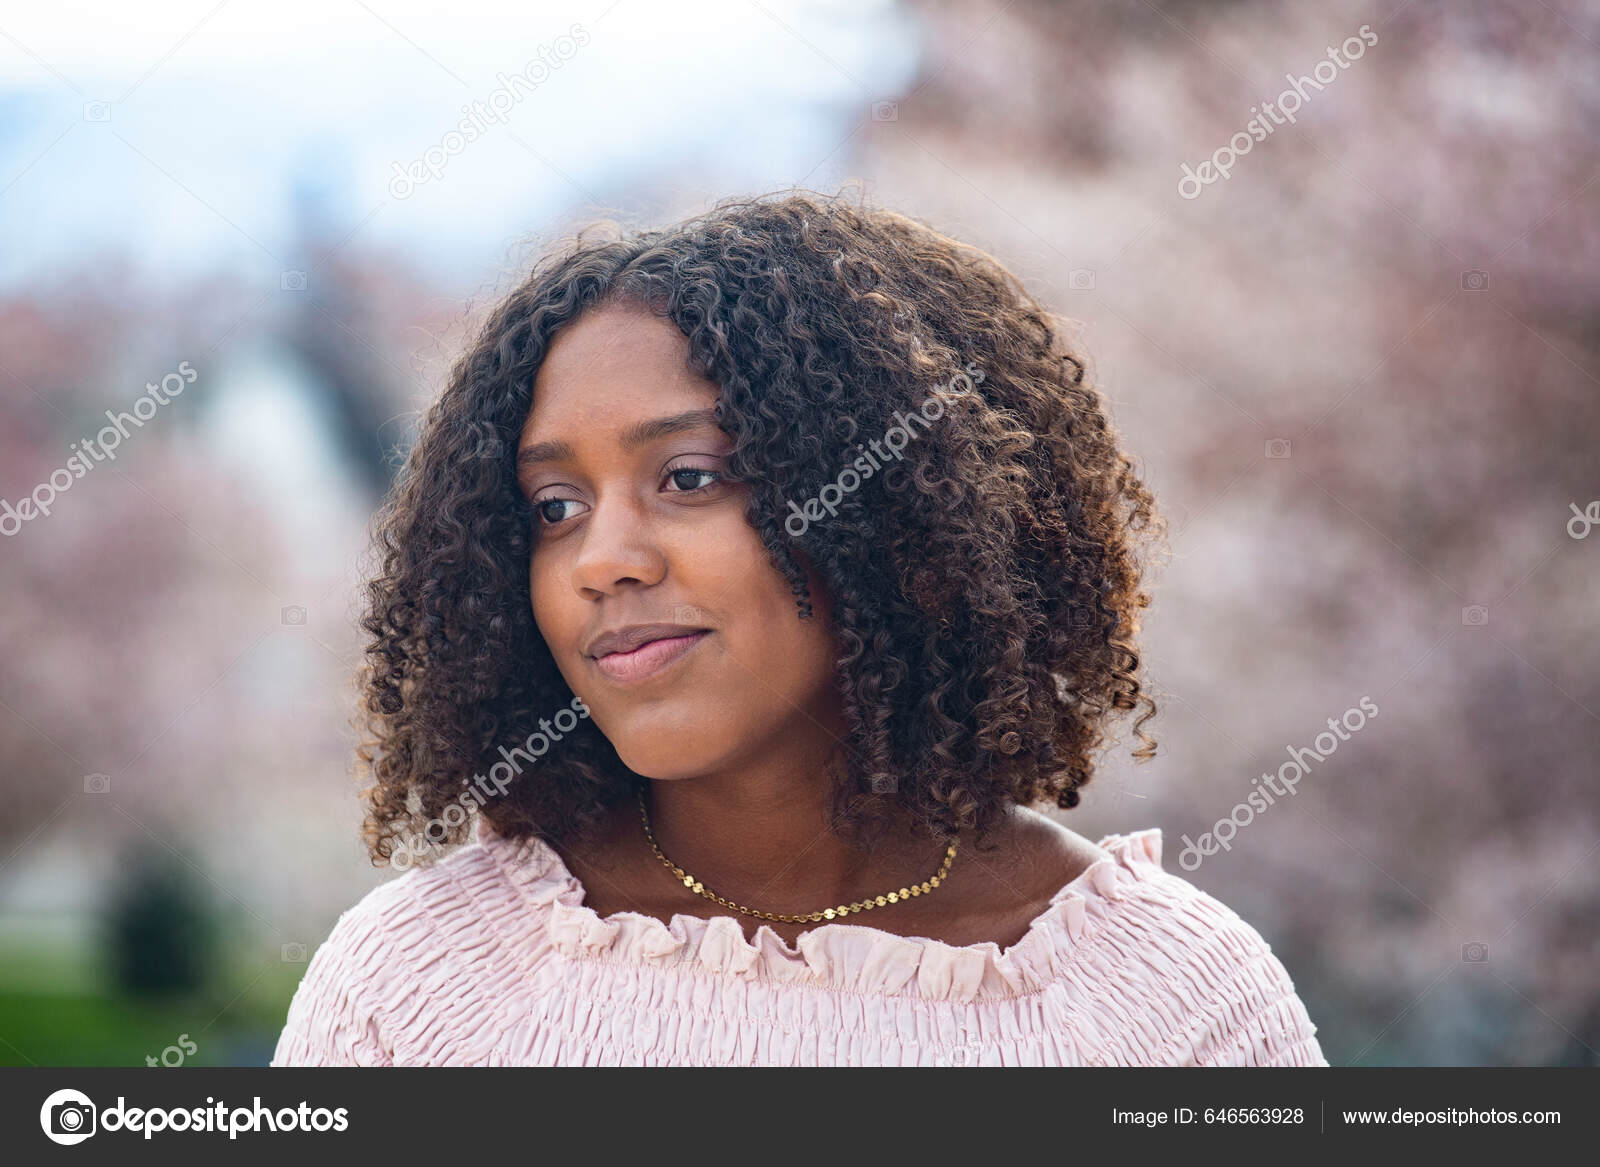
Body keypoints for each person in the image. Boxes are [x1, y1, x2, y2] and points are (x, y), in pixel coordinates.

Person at [270, 190, 1326, 1067]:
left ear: (890, 508)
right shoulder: (421, 990)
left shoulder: (1172, 1007)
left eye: (687, 478)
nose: (602, 560)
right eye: (555, 507)